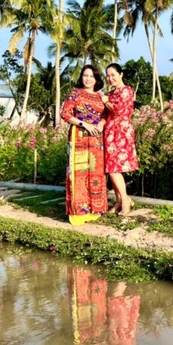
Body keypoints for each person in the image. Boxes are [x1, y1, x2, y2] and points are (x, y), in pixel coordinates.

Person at [61, 65, 108, 225]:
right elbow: (65, 114)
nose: (88, 79)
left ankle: (95, 209)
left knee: (95, 173)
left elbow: (106, 115)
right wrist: (84, 124)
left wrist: (101, 124)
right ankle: (78, 212)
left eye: (91, 76)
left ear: (96, 79)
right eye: (85, 75)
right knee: (78, 173)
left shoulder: (101, 97)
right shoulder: (76, 94)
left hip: (96, 139)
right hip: (79, 137)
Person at [103, 63, 139, 215]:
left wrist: (105, 101)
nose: (110, 78)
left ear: (121, 74)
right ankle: (119, 200)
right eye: (108, 76)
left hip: (121, 132)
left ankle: (125, 200)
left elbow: (118, 111)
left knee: (113, 168)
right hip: (110, 131)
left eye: (113, 75)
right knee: (112, 167)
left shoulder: (126, 90)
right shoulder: (111, 94)